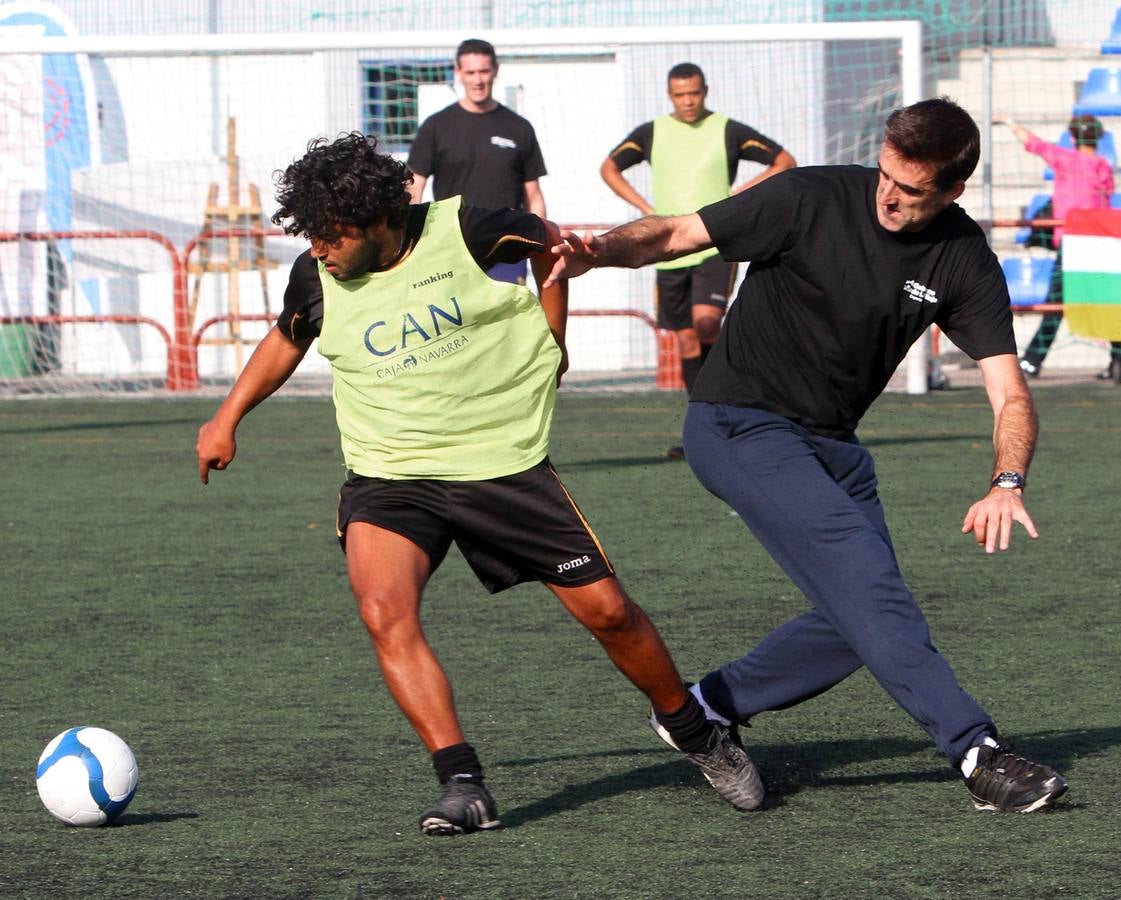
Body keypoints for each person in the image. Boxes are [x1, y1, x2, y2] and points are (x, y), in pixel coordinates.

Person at [195, 133, 763, 836]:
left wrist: (554, 339)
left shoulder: (468, 227)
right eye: (310, 234)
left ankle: (695, 731)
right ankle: (462, 783)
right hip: (391, 472)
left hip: (500, 462)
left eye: (331, 234)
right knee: (383, 611)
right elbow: (288, 335)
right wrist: (226, 417)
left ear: (378, 221)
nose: (317, 249)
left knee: (609, 613)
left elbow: (554, 252)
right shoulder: (318, 277)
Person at [549, 97, 1069, 814]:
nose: (888, 194)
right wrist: (597, 251)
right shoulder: (807, 197)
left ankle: (705, 708)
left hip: (834, 448)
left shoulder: (962, 257)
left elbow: (1009, 392)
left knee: (857, 622)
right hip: (738, 423)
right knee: (873, 595)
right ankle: (978, 754)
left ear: (951, 192)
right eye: (886, 173)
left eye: (911, 189)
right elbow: (674, 233)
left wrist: (1008, 480)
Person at [600, 62, 796, 457]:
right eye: (680, 95)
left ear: (705, 90)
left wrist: (739, 196)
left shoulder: (727, 130)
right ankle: (706, 430)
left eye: (694, 93)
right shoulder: (652, 133)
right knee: (686, 342)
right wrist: (644, 207)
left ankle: (740, 412)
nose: (688, 101)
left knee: (707, 324)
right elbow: (609, 168)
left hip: (715, 244)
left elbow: (784, 161)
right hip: (668, 248)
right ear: (670, 95)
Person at [408, 38, 546, 285]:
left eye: (483, 71)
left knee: (504, 323)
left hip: (507, 247)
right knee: (456, 323)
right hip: (449, 246)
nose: (478, 80)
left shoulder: (519, 128)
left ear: (495, 70)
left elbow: (534, 197)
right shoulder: (436, 126)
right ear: (458, 73)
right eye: (470, 72)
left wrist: (540, 246)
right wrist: (409, 244)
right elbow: (413, 187)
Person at [1003, 115, 1115, 379]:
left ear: (1073, 138)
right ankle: (1120, 360)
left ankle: (1032, 360)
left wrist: (1010, 122)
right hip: (1098, 240)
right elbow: (1107, 199)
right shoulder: (1102, 166)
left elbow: (1034, 143)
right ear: (1098, 139)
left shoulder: (1065, 159)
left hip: (1073, 242)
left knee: (1055, 304)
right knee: (1108, 303)